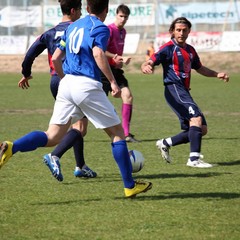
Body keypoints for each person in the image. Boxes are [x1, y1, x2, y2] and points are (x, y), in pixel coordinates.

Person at [0, 0, 152, 198]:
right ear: (106, 10)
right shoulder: (100, 28)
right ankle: (130, 186)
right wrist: (113, 82)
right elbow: (98, 53)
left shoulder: (72, 27)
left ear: (87, 8)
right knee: (117, 133)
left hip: (67, 83)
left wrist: (67, 82)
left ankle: (12, 147)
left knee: (52, 136)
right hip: (87, 84)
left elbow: (55, 58)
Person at [18, 0, 96, 178]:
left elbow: (30, 54)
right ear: (73, 10)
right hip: (71, 80)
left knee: (75, 124)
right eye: (80, 10)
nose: (81, 14)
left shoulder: (50, 33)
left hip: (55, 81)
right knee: (79, 128)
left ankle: (80, 166)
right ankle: (55, 156)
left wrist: (26, 73)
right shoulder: (78, 30)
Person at [141, 17, 229, 168]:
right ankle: (194, 159)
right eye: (178, 30)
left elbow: (200, 68)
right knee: (196, 118)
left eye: (184, 30)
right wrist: (146, 65)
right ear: (172, 32)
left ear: (189, 31)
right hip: (173, 88)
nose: (181, 33)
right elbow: (152, 59)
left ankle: (165, 143)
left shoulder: (190, 50)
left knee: (201, 129)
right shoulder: (168, 48)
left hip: (184, 91)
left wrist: (216, 74)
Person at [101, 4, 139, 143]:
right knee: (97, 102)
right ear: (116, 15)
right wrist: (117, 57)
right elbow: (101, 51)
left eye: (125, 17)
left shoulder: (123, 32)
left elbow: (115, 55)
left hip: (116, 71)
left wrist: (118, 61)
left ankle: (126, 134)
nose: (123, 19)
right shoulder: (108, 30)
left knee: (128, 96)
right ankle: (75, 127)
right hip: (104, 72)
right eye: (121, 16)